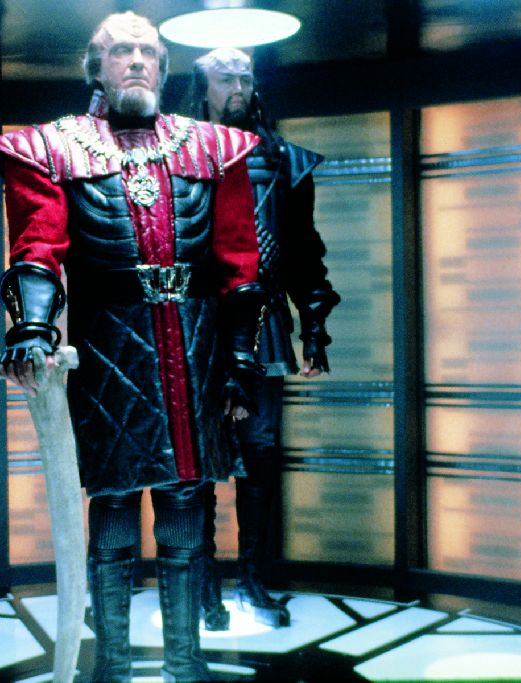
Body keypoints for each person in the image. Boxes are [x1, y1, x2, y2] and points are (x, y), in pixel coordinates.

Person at [0, 13, 265, 682]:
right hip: (108, 345)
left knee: (184, 506)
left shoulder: (215, 147)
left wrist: (240, 357)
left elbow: (237, 261)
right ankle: (110, 666)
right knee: (112, 510)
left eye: (148, 51)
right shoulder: (53, 146)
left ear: (163, 68)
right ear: (96, 66)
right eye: (120, 51)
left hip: (195, 348)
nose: (136, 60)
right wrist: (32, 327)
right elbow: (38, 245)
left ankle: (185, 663)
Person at [187, 47, 341, 630]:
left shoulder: (282, 160)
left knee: (259, 452)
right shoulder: (183, 155)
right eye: (225, 78)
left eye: (245, 78)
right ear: (203, 87)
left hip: (266, 320)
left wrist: (315, 326)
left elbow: (302, 249)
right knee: (201, 457)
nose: (238, 88)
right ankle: (202, 582)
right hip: (200, 321)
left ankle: (252, 579)